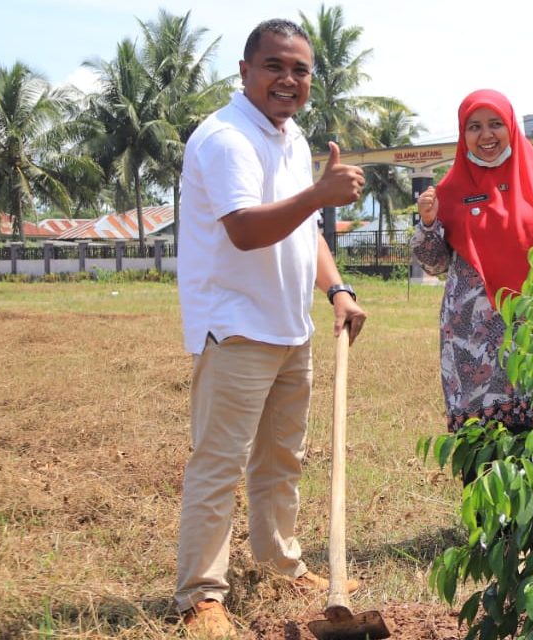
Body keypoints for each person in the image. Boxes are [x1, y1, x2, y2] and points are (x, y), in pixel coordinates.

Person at [174, 18, 368, 637]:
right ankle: (201, 595)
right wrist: (319, 195)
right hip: (234, 327)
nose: (288, 79)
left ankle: (280, 564)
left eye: (300, 70)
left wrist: (335, 289)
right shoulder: (227, 138)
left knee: (283, 458)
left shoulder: (291, 137)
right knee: (219, 463)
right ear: (245, 71)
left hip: (290, 326)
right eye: (275, 66)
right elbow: (245, 228)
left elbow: (305, 233)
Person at [413, 89, 533, 434]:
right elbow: (434, 265)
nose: (486, 135)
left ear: (510, 127)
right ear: (463, 135)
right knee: (479, 437)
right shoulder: (447, 192)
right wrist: (429, 224)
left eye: (495, 124)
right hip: (470, 334)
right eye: (474, 127)